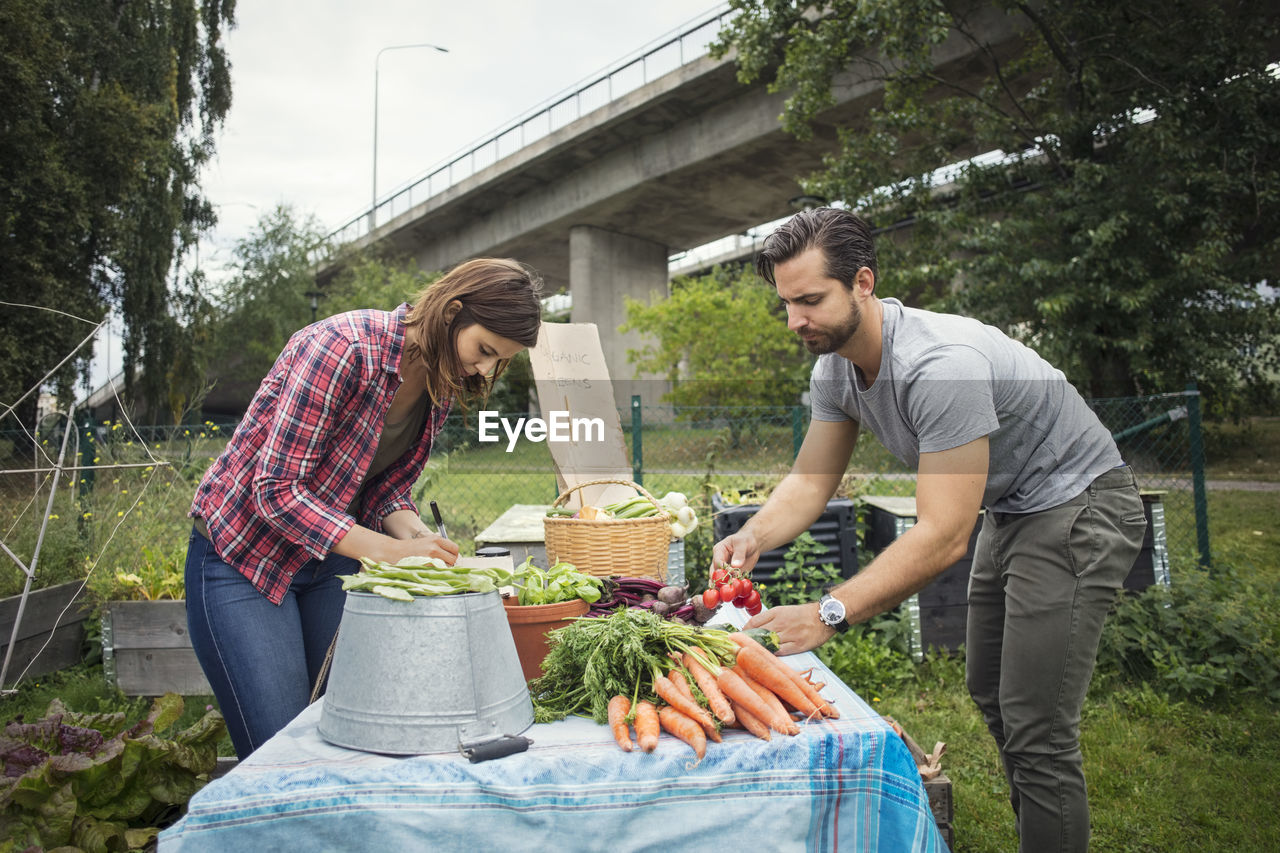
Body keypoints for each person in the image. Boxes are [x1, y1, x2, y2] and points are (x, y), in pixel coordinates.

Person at [716, 208, 1146, 853]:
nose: (795, 321)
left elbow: (945, 533)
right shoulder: (835, 366)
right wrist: (755, 534)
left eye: (810, 300)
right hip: (1015, 510)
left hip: (1078, 505)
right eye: (786, 303)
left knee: (1037, 726)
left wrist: (830, 612)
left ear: (863, 282)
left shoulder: (941, 363)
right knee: (991, 693)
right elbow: (810, 483)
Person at [186, 257, 543, 758]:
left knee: (347, 730)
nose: (484, 369)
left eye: (498, 360)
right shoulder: (343, 347)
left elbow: (384, 490)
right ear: (450, 311)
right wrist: (385, 552)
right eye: (484, 350)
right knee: (282, 750)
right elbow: (276, 490)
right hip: (245, 556)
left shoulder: (440, 381)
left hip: (331, 559)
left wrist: (414, 536)